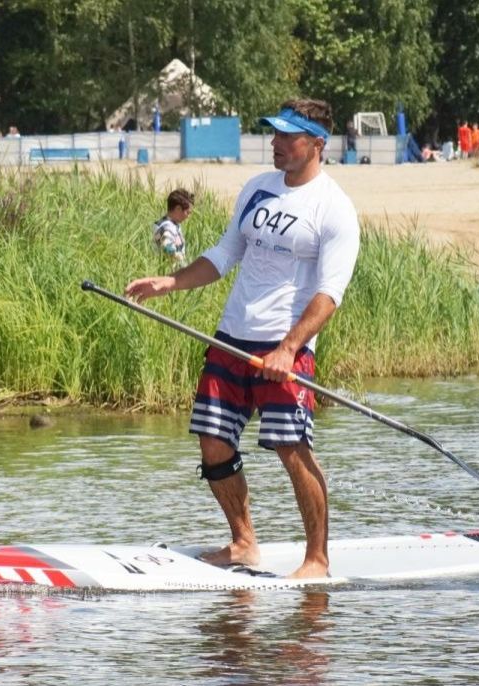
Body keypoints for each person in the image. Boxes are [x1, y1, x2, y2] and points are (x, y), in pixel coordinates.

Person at [124, 98, 360, 579]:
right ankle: (243, 543)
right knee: (213, 441)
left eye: (286, 136)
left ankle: (317, 560)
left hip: (283, 349)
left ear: (316, 142)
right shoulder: (257, 189)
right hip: (232, 337)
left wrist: (290, 349)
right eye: (273, 133)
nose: (274, 143)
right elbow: (223, 253)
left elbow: (329, 294)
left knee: (291, 450)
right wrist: (170, 282)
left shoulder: (334, 208)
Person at [152, 188, 194, 267]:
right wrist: (185, 264)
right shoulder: (167, 228)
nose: (188, 216)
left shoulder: (169, 224)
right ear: (178, 209)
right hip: (170, 273)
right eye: (187, 212)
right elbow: (167, 247)